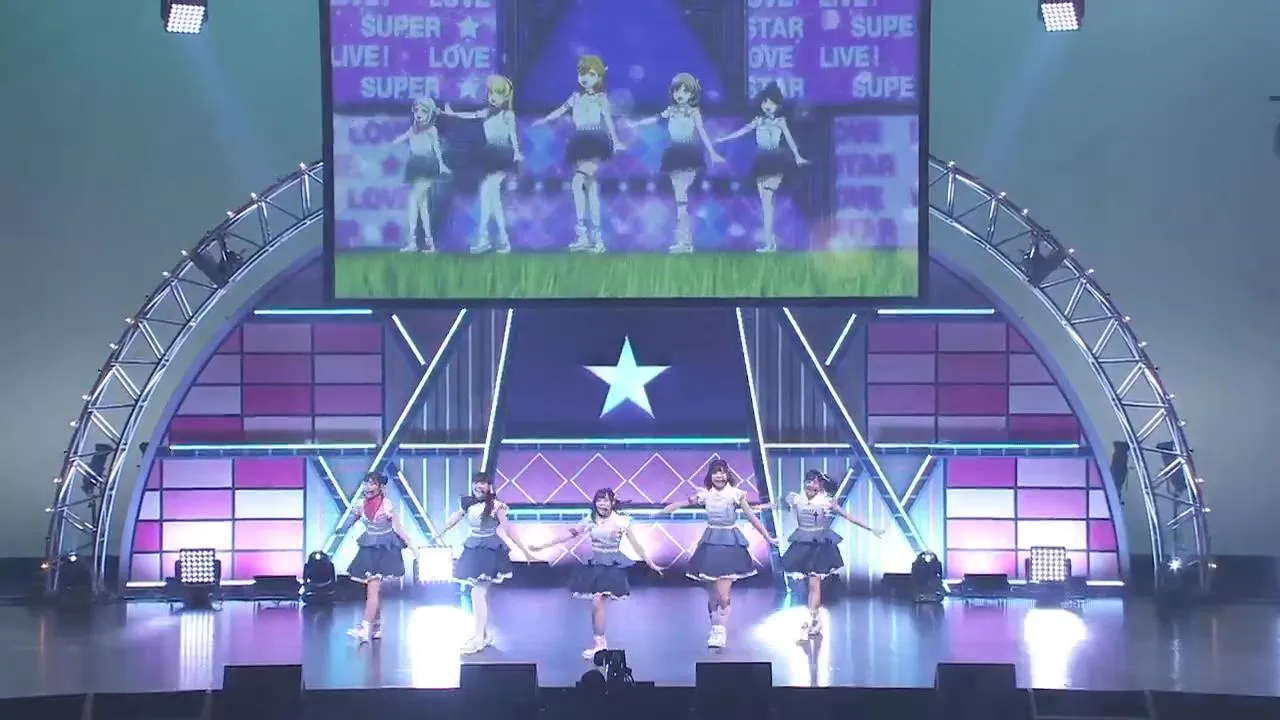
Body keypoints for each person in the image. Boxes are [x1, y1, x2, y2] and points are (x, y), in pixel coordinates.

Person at [529, 488, 664, 659]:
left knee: (597, 601)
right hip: (595, 566)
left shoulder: (621, 521)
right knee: (595, 606)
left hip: (612, 566)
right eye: (599, 500)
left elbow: (636, 545)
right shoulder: (590, 520)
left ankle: (600, 645)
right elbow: (569, 535)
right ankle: (599, 643)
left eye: (605, 500)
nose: (602, 504)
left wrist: (651, 563)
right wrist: (542, 546)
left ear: (612, 502)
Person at [661, 459, 777, 648]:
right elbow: (686, 502)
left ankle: (721, 630)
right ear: (711, 476)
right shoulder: (705, 495)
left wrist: (768, 537)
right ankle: (715, 629)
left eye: (722, 472)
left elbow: (752, 517)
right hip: (710, 544)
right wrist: (673, 506)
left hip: (730, 545)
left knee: (723, 594)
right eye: (716, 472)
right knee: (712, 594)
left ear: (728, 475)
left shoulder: (736, 495)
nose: (719, 476)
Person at [770, 469, 883, 639]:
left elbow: (848, 516)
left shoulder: (827, 502)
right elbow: (776, 505)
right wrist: (749, 508)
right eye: (808, 481)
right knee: (809, 585)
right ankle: (815, 619)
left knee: (814, 584)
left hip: (819, 546)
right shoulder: (796, 499)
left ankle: (812, 619)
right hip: (802, 544)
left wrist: (871, 528)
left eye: (815, 482)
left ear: (821, 486)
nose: (810, 485)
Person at [531, 54, 626, 253]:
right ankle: (592, 239)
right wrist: (545, 120)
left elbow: (608, 120)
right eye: (582, 73)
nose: (585, 78)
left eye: (590, 74)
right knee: (590, 187)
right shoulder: (576, 97)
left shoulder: (600, 98)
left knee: (578, 182)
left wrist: (616, 141)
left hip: (595, 141)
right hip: (580, 141)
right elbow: (561, 110)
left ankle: (587, 234)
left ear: (599, 76)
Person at [438, 471, 534, 654]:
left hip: (489, 551)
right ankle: (483, 633)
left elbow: (508, 529)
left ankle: (478, 638)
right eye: (476, 482)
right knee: (480, 593)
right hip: (474, 548)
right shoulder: (468, 503)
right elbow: (454, 519)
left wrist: (525, 551)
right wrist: (439, 533)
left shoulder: (496, 506)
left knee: (477, 592)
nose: (478, 486)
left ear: (489, 486)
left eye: (482, 483)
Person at [627, 73, 724, 252]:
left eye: (685, 91)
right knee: (680, 199)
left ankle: (685, 240)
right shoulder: (671, 110)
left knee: (682, 197)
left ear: (692, 94)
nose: (680, 94)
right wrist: (636, 124)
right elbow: (656, 119)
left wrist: (712, 152)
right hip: (674, 155)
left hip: (689, 155)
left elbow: (702, 132)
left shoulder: (694, 112)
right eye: (677, 90)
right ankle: (684, 240)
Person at [713, 81, 808, 253]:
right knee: (765, 204)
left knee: (774, 203)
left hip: (777, 162)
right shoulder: (757, 122)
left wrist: (797, 156)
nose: (768, 106)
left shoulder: (780, 123)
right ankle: (768, 240)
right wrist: (724, 139)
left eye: (771, 103)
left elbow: (790, 141)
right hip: (763, 163)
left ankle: (772, 239)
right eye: (765, 103)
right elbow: (741, 132)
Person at [441, 74, 523, 254]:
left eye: (499, 94)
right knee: (493, 200)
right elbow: (470, 116)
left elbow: (513, 135)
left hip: (503, 155)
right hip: (490, 156)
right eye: (492, 93)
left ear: (506, 97)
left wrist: (517, 153)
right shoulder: (486, 113)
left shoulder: (508, 114)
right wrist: (452, 114)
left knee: (488, 193)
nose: (494, 97)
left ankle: (484, 238)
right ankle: (501, 240)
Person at [346, 472, 417, 643]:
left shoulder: (387, 505)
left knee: (372, 589)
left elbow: (398, 528)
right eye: (366, 483)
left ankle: (364, 628)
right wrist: (346, 525)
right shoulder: (361, 504)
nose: (368, 487)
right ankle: (376, 626)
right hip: (368, 548)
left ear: (380, 487)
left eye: (372, 484)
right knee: (373, 590)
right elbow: (351, 520)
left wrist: (413, 547)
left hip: (384, 550)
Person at [391, 97, 451, 253]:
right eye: (416, 110)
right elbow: (404, 137)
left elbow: (436, 149)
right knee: (422, 205)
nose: (419, 114)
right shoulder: (414, 129)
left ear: (430, 113)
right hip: (416, 165)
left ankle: (412, 240)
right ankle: (429, 242)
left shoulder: (432, 130)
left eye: (423, 111)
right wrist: (393, 141)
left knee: (413, 200)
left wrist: (441, 165)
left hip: (427, 166)